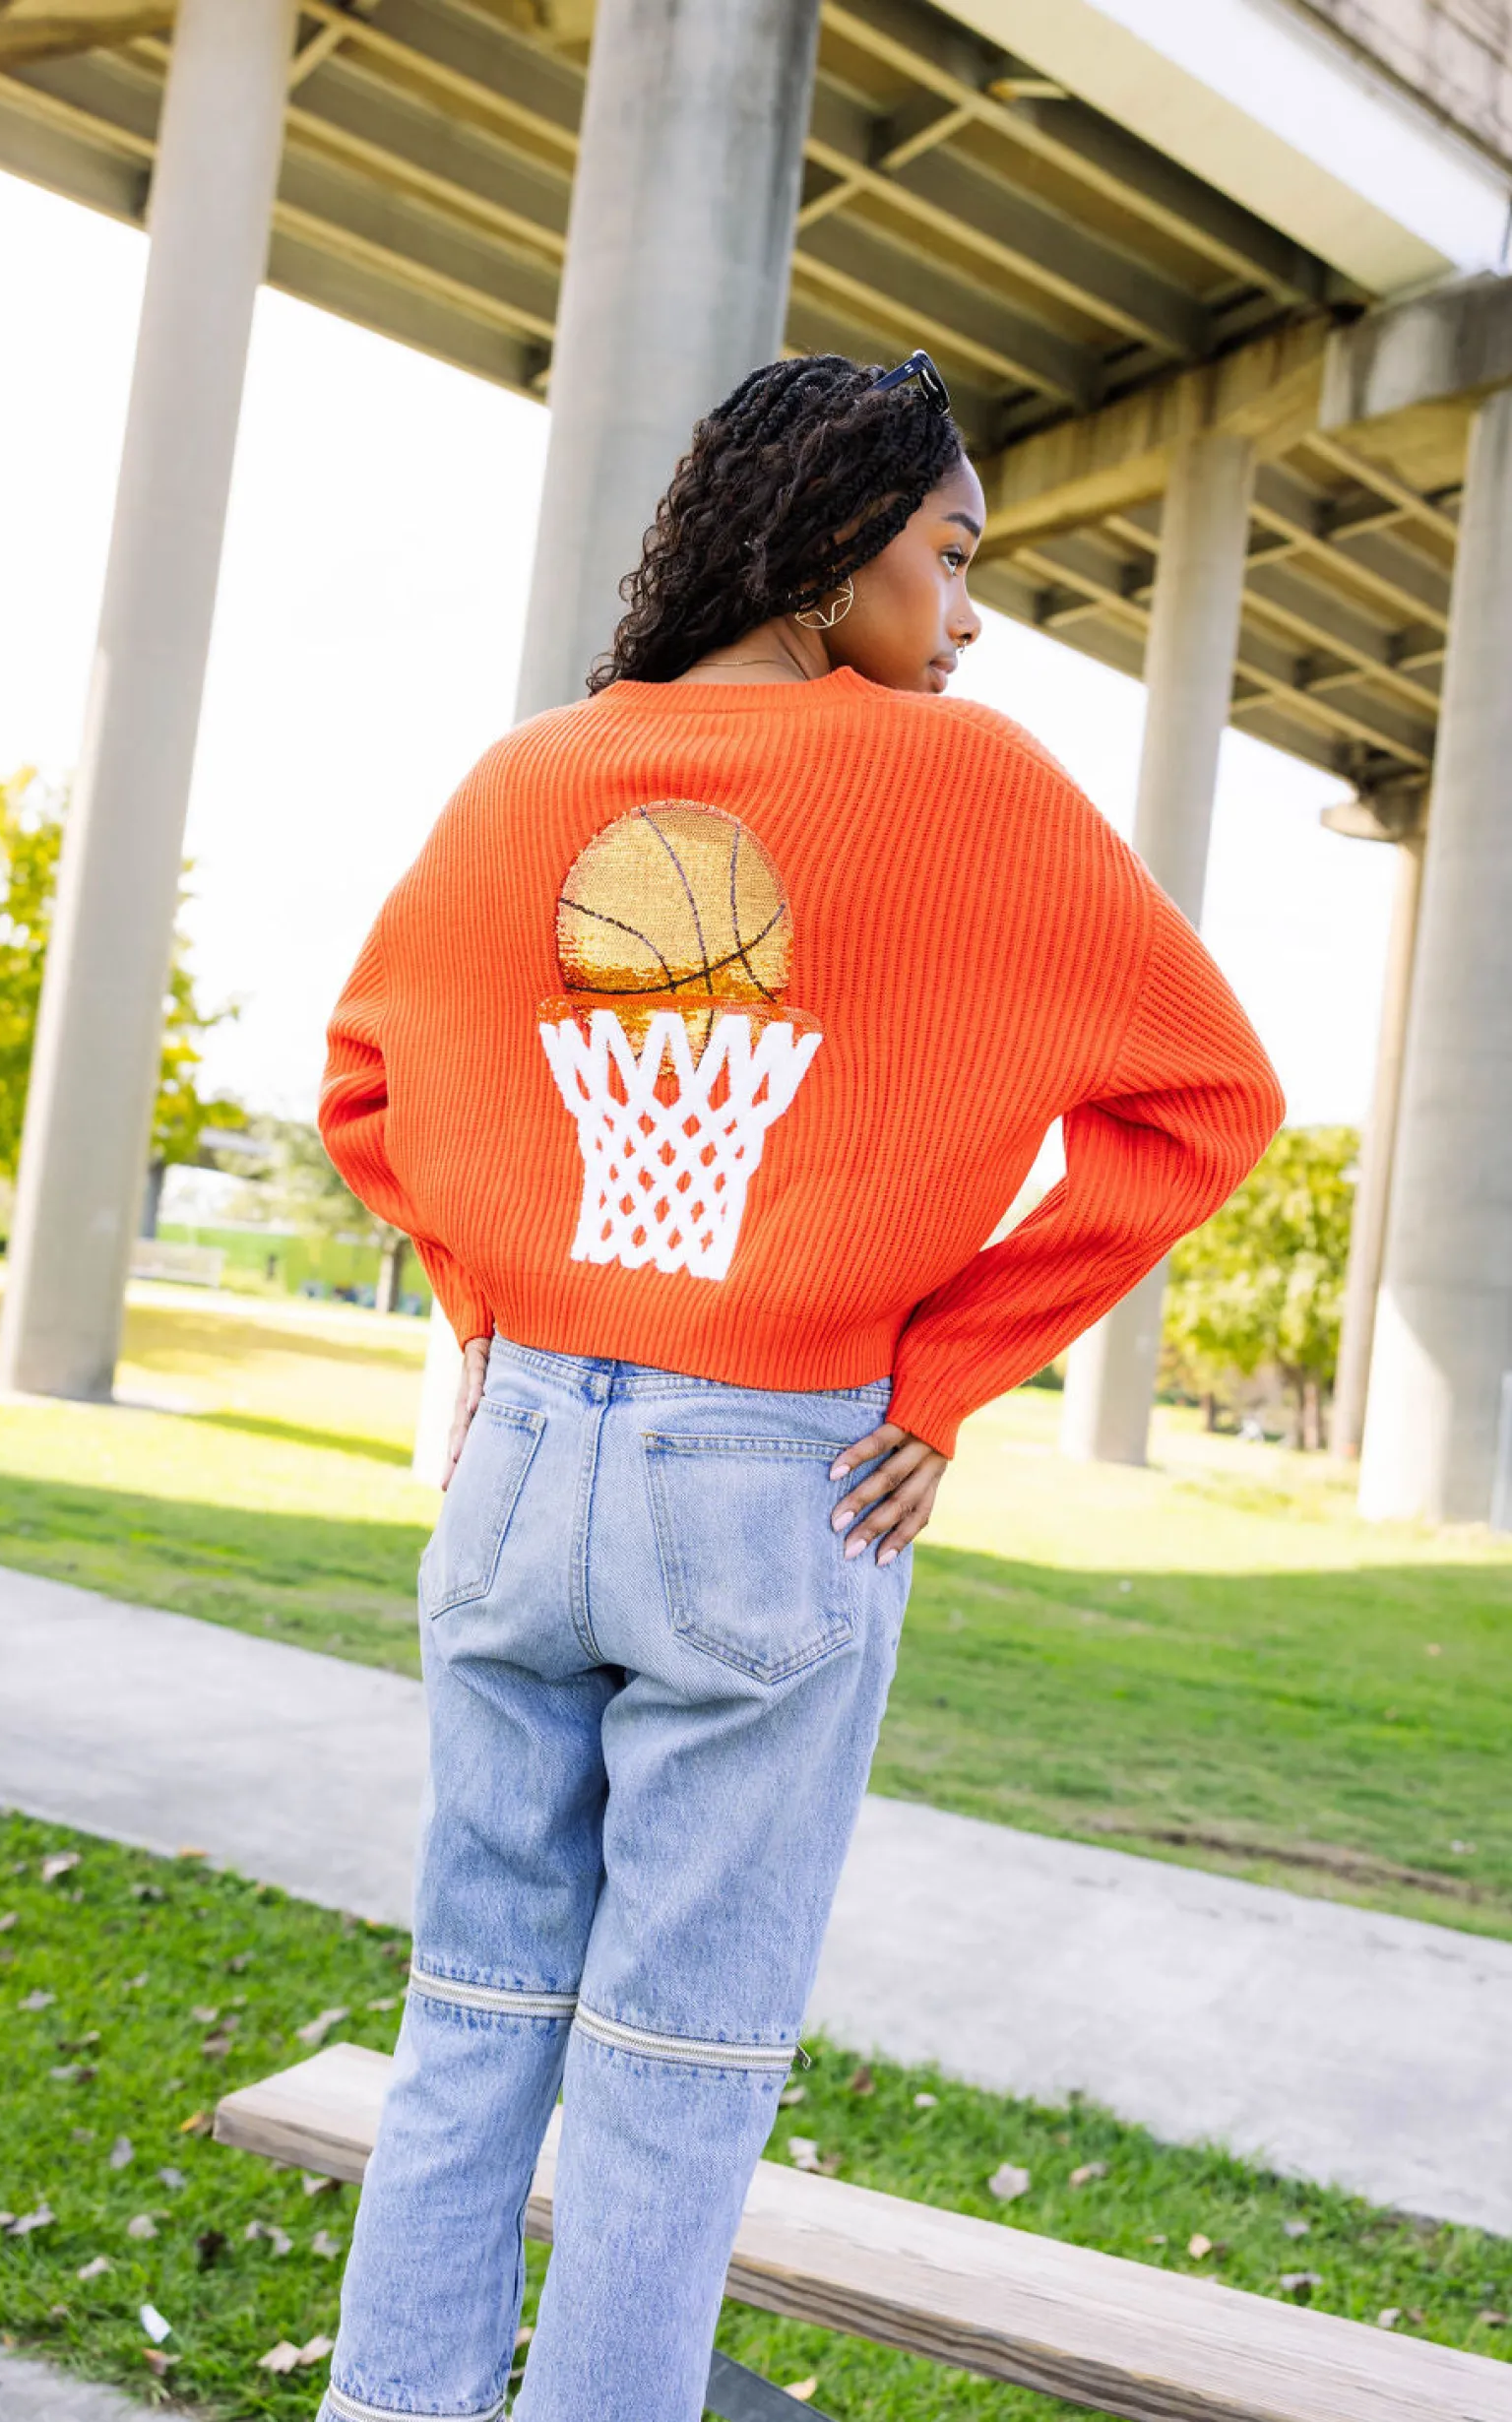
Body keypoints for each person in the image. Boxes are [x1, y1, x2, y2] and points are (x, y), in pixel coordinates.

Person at [316, 350, 1284, 2422]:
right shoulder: (977, 786)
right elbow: (1208, 1099)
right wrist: (940, 1378)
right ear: (842, 547)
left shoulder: (529, 774)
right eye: (953, 557)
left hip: (522, 1462)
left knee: (471, 2012)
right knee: (673, 2062)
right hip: (775, 1480)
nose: (970, 615)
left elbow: (365, 1083)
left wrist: (492, 1314)